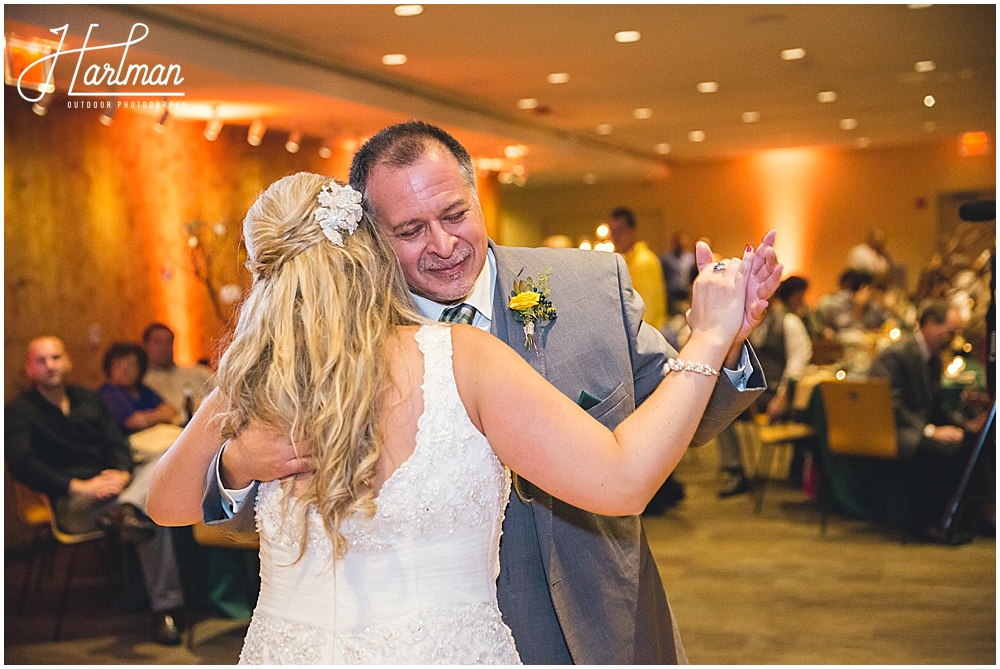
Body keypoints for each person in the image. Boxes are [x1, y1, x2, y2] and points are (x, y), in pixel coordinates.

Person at [192, 121, 782, 664]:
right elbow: (289, 517)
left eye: (455, 215)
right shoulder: (340, 345)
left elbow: (675, 409)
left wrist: (723, 342)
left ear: (478, 199)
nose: (444, 245)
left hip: (595, 615)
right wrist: (237, 467)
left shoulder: (588, 287)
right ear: (369, 238)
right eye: (410, 230)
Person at [5, 336, 186, 645]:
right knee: (149, 513)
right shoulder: (19, 412)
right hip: (72, 503)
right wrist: (80, 486)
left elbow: (117, 443)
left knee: (165, 460)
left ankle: (127, 509)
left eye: (56, 357)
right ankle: (165, 609)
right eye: (42, 360)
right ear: (29, 368)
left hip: (113, 492)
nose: (50, 366)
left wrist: (122, 473)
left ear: (68, 361)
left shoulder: (88, 398)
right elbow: (22, 465)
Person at [868, 301, 989, 541]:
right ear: (931, 324)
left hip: (913, 426)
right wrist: (931, 431)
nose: (951, 339)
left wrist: (964, 425)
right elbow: (890, 407)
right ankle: (925, 524)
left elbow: (936, 405)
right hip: (894, 430)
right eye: (949, 331)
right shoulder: (897, 354)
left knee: (968, 443)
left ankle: (954, 519)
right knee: (940, 450)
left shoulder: (931, 357)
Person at [715, 275, 814, 497]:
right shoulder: (748, 321)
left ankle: (799, 469)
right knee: (719, 409)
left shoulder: (788, 321)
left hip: (779, 395)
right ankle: (735, 470)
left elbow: (799, 360)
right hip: (754, 394)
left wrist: (783, 395)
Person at [606, 206, 667, 331]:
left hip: (646, 336)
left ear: (632, 231)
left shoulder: (643, 262)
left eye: (620, 230)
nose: (615, 236)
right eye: (612, 231)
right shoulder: (627, 260)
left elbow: (646, 310)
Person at [142, 322, 215, 424]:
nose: (164, 347)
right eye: (157, 342)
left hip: (204, 426)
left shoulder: (199, 372)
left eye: (168, 342)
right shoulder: (141, 381)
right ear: (145, 345)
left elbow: (225, 396)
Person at [98, 342, 179, 435]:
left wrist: (147, 417)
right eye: (119, 365)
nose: (125, 370)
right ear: (109, 369)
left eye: (131, 364)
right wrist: (157, 415)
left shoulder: (142, 389)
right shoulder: (108, 393)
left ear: (140, 368)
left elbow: (171, 411)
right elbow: (134, 422)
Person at [659, 230, 698, 317]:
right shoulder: (666, 259)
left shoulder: (690, 258)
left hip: (685, 293)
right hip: (672, 295)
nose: (681, 244)